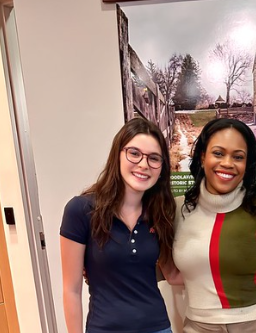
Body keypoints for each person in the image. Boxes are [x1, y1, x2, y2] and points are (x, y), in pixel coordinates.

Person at [60, 117, 176, 333]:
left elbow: (173, 274)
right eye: (134, 153)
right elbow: (71, 289)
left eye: (154, 158)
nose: (143, 164)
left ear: (161, 167)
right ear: (118, 155)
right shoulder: (81, 210)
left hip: (157, 328)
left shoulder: (161, 213)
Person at [173, 118, 256, 332]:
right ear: (203, 156)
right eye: (218, 153)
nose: (228, 163)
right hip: (198, 326)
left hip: (255, 324)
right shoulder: (176, 209)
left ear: (247, 163)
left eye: (238, 157)